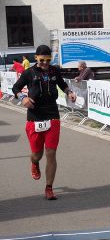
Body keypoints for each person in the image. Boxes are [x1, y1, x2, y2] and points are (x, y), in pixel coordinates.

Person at [12, 44, 76, 200]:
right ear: (36, 58)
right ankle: (34, 163)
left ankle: (49, 188)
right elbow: (15, 88)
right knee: (37, 154)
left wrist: (69, 92)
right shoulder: (29, 72)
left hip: (52, 114)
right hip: (34, 117)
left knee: (51, 152)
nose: (45, 63)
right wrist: (23, 98)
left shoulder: (54, 70)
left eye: (48, 60)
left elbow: (63, 84)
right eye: (42, 60)